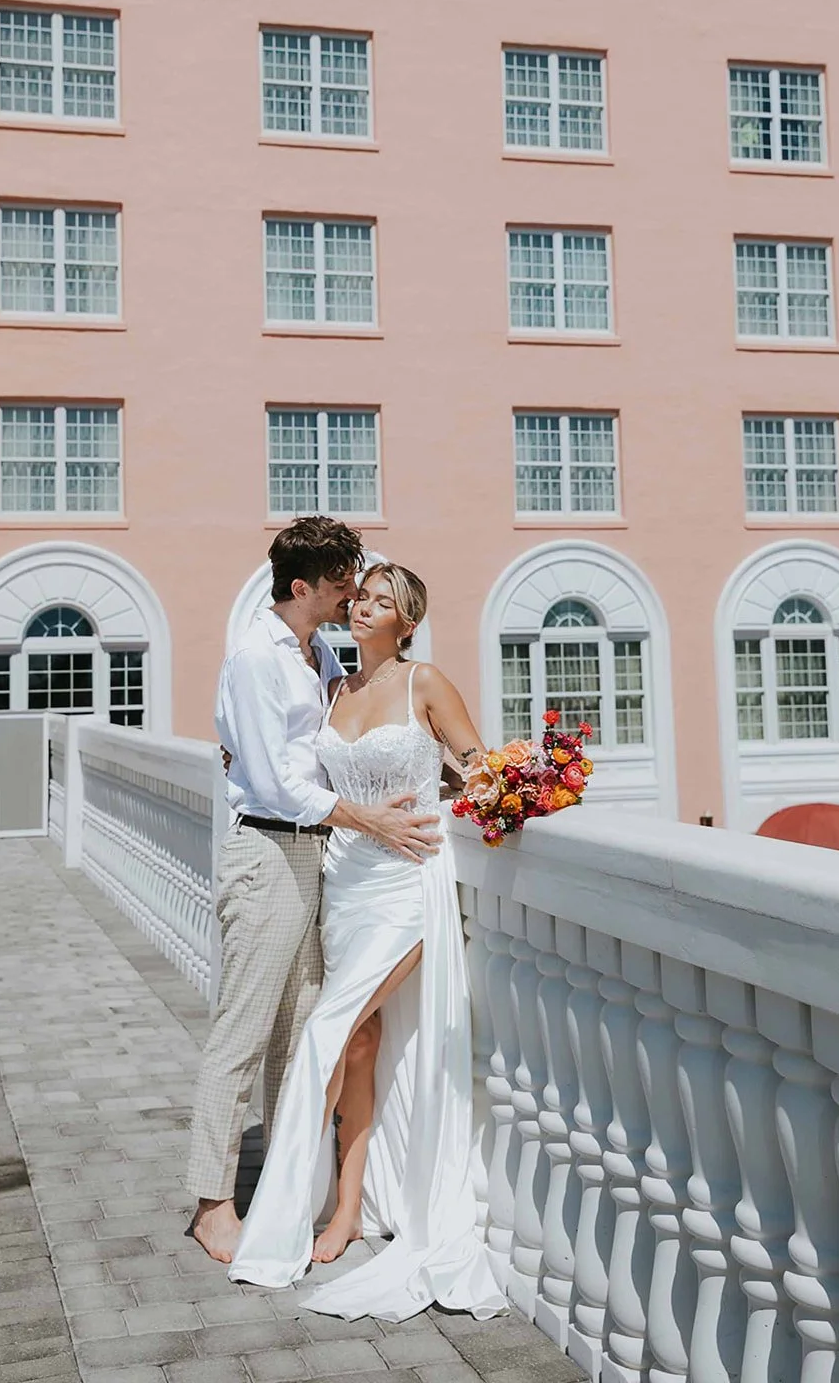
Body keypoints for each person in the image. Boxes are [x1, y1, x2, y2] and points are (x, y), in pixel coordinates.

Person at [228, 563, 506, 1323]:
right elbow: (296, 770)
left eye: (383, 601)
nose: (364, 607)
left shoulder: (425, 682)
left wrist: (504, 794)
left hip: (405, 885)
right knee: (359, 1044)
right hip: (343, 884)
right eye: (362, 595)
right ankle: (347, 1206)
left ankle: (279, 1221)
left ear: (406, 621)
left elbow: (478, 767)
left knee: (326, 1031)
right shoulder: (336, 689)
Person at [187, 520, 444, 1264]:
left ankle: (286, 1186)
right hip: (267, 849)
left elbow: (335, 746)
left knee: (298, 1031)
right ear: (301, 588)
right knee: (243, 1030)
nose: (349, 598)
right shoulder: (255, 657)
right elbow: (273, 780)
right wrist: (366, 818)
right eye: (340, 586)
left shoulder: (319, 653)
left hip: (319, 857)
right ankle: (211, 1204)